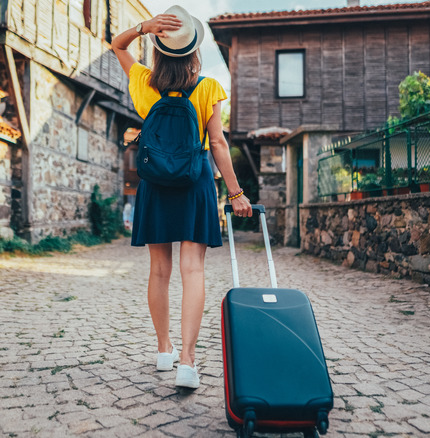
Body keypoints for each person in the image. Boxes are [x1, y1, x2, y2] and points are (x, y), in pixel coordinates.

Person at [111, 5, 252, 389]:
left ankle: (163, 350)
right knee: (193, 270)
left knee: (159, 271)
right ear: (193, 52)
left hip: (155, 183)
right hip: (195, 182)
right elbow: (219, 144)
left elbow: (116, 44)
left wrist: (144, 27)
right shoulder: (207, 87)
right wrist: (236, 192)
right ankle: (187, 362)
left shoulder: (142, 80)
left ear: (158, 48)